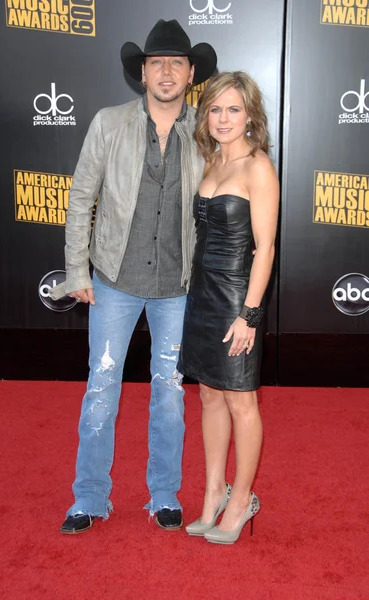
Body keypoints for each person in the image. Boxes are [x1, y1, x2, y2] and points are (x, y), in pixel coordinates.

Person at [50, 20, 217, 534]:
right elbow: (81, 198)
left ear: (191, 74)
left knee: (168, 392)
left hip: (178, 288)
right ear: (142, 72)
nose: (166, 72)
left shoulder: (208, 131)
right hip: (113, 282)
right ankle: (90, 497)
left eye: (176, 63)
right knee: (102, 386)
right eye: (156, 63)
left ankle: (164, 493)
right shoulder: (108, 123)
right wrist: (77, 268)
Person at [177, 72, 279, 544]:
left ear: (250, 115)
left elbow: (266, 248)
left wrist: (250, 314)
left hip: (237, 297)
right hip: (201, 295)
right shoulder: (211, 161)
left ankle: (242, 500)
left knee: (242, 401)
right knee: (210, 395)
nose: (223, 118)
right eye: (215, 109)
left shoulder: (258, 167)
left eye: (233, 109)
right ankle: (213, 492)